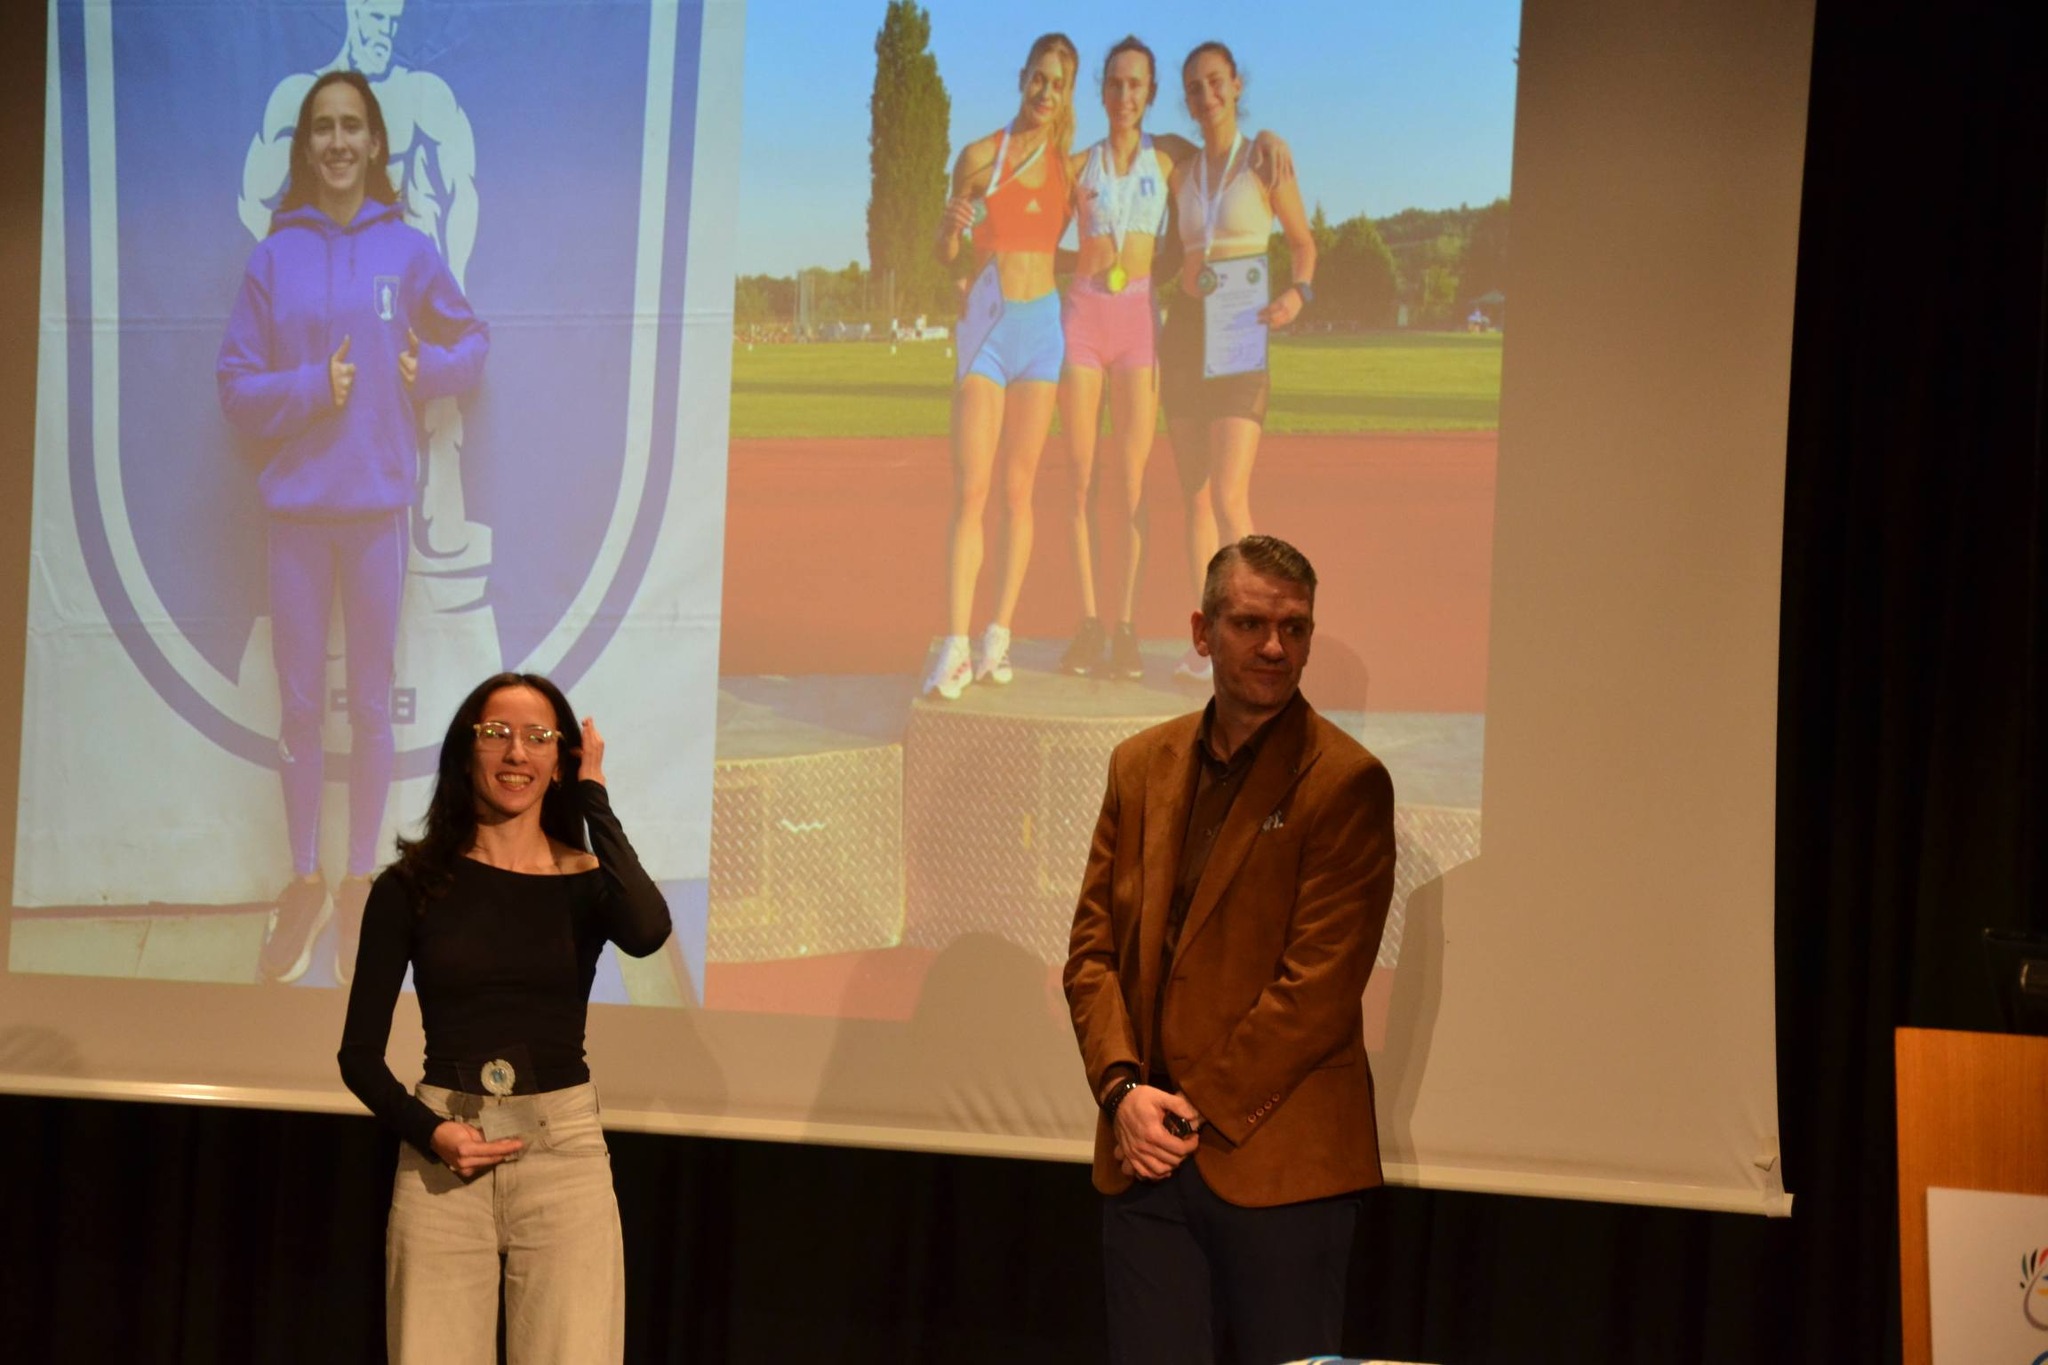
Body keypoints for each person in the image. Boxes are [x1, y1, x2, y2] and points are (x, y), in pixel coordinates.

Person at [1063, 535, 1396, 1364]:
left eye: (1294, 627)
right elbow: (1092, 953)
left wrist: (1187, 1106)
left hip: (1281, 1166)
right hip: (1145, 1160)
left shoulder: (1347, 782)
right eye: (1250, 623)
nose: (1275, 646)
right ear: (1202, 632)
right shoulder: (1139, 765)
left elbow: (1317, 990)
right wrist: (1123, 1091)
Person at [218, 70, 488, 985]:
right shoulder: (273, 259)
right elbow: (235, 387)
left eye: (352, 127)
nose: (337, 141)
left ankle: (361, 880)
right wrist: (310, 389)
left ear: (375, 143)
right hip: (297, 518)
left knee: (370, 705)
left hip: (375, 513)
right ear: (306, 148)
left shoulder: (406, 251)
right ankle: (305, 879)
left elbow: (473, 342)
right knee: (300, 706)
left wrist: (428, 371)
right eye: (322, 128)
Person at [337, 672, 671, 1362]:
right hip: (443, 1158)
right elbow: (358, 1055)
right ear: (467, 754)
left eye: (538, 738)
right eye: (497, 734)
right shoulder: (409, 885)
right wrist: (432, 1132)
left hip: (563, 1158)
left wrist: (595, 795)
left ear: (561, 762)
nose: (516, 752)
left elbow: (647, 930)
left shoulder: (587, 882)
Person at [923, 33, 1080, 700]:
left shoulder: (1070, 170)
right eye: (1039, 78)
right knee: (972, 488)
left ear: (1067, 95)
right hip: (986, 331)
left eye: (1058, 84)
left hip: (1041, 333)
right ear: (1021, 79)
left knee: (1019, 491)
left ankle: (997, 635)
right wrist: (947, 230)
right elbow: (947, 252)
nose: (1046, 92)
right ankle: (955, 644)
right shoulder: (979, 157)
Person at [1160, 44, 1317, 684]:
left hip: (1240, 336)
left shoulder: (1265, 161)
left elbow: (1303, 245)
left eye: (1215, 82)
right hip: (1185, 335)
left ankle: (1252, 637)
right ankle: (1209, 647)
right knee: (1196, 497)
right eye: (1194, 87)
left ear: (1236, 85)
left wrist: (1297, 295)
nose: (1206, 95)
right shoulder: (1178, 168)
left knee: (1229, 495)